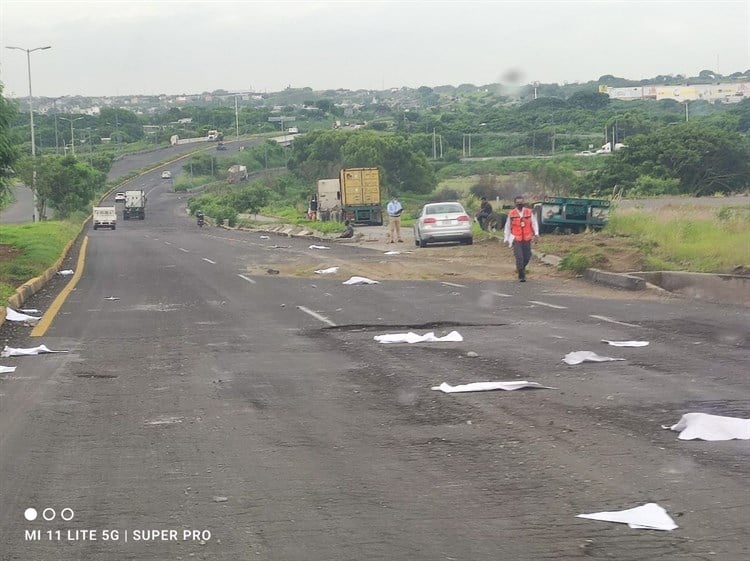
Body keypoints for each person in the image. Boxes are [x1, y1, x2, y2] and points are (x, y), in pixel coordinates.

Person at [503, 195, 539, 282]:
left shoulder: (529, 212)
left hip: (527, 238)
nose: (520, 204)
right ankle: (521, 275)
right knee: (519, 257)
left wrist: (536, 234)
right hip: (516, 239)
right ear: (515, 203)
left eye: (521, 202)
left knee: (527, 257)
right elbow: (508, 226)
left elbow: (534, 223)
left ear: (523, 202)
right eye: (518, 202)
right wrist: (506, 239)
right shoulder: (511, 214)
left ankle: (521, 268)